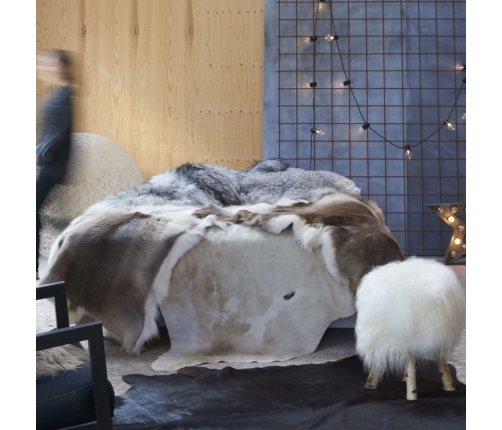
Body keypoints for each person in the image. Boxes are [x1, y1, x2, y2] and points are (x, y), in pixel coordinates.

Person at [36, 49, 74, 280]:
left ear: (61, 68)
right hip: (47, 164)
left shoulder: (65, 96)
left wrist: (37, 157)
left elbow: (57, 137)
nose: (41, 68)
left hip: (53, 167)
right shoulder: (57, 93)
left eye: (46, 64)